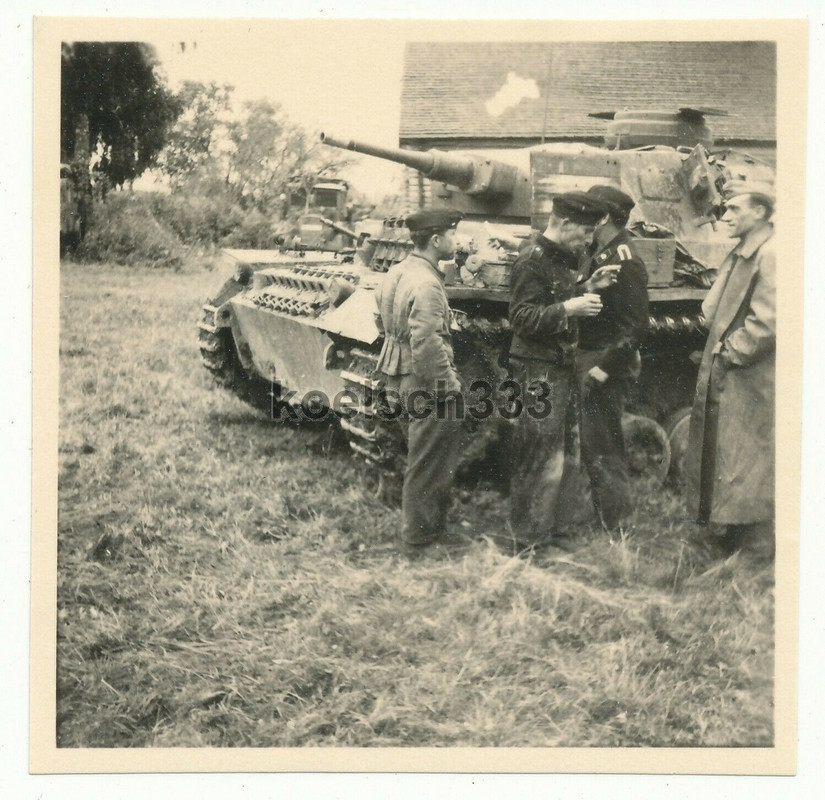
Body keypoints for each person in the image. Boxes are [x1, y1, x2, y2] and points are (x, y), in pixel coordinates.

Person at [506, 191, 615, 552]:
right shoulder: (531, 261)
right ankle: (529, 541)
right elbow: (521, 319)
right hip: (538, 371)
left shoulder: (562, 257)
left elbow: (555, 298)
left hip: (562, 367)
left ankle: (557, 532)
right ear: (564, 223)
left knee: (568, 454)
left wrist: (587, 287)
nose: (588, 240)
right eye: (585, 232)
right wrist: (570, 307)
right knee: (539, 457)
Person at [685, 180, 776, 558]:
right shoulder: (746, 249)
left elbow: (769, 321)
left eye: (736, 208)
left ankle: (756, 540)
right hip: (734, 370)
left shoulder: (771, 254)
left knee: (748, 452)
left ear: (760, 212)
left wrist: (730, 354)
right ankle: (738, 530)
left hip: (749, 375)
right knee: (731, 452)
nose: (727, 215)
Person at [374, 207, 467, 557]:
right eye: (452, 235)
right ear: (436, 240)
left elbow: (379, 318)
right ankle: (420, 542)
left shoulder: (396, 272)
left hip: (395, 374)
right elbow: (427, 343)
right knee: (428, 463)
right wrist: (449, 386)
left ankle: (427, 530)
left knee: (419, 457)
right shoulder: (428, 283)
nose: (455, 242)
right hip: (424, 381)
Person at [575, 184, 649, 530]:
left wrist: (604, 369)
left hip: (604, 361)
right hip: (590, 355)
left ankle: (617, 528)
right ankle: (601, 518)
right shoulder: (599, 251)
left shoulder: (625, 260)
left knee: (603, 445)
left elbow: (634, 328)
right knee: (591, 444)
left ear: (603, 216)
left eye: (589, 211)